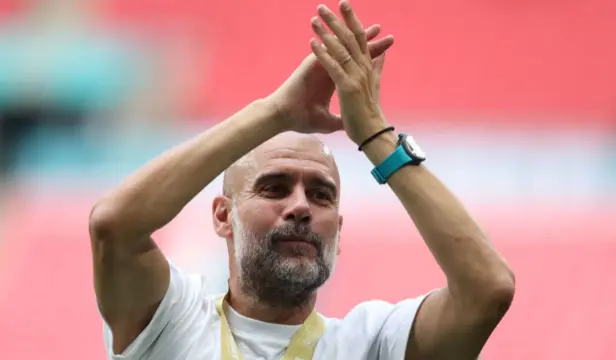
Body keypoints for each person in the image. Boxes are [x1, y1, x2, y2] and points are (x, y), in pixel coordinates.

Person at [89, 2, 515, 359]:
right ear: (222, 216)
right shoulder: (170, 321)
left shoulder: (371, 343)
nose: (301, 206)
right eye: (274, 187)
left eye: (322, 195)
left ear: (339, 232)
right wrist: (275, 112)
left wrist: (375, 135)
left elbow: (487, 289)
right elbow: (114, 226)